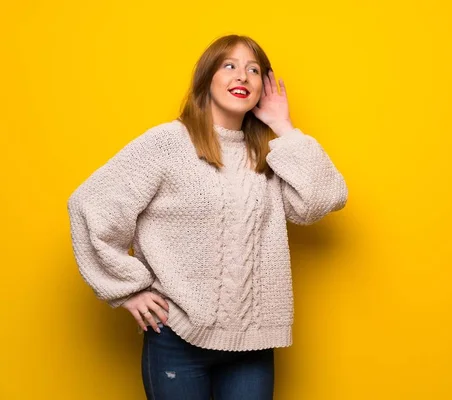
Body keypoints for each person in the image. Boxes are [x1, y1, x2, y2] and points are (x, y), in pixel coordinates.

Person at [67, 34, 348, 400]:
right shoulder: (168, 143)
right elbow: (90, 203)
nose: (242, 77)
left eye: (253, 70)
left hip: (253, 341)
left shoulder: (269, 155)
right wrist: (128, 289)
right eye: (229, 66)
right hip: (177, 337)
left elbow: (323, 199)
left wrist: (284, 127)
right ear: (207, 79)